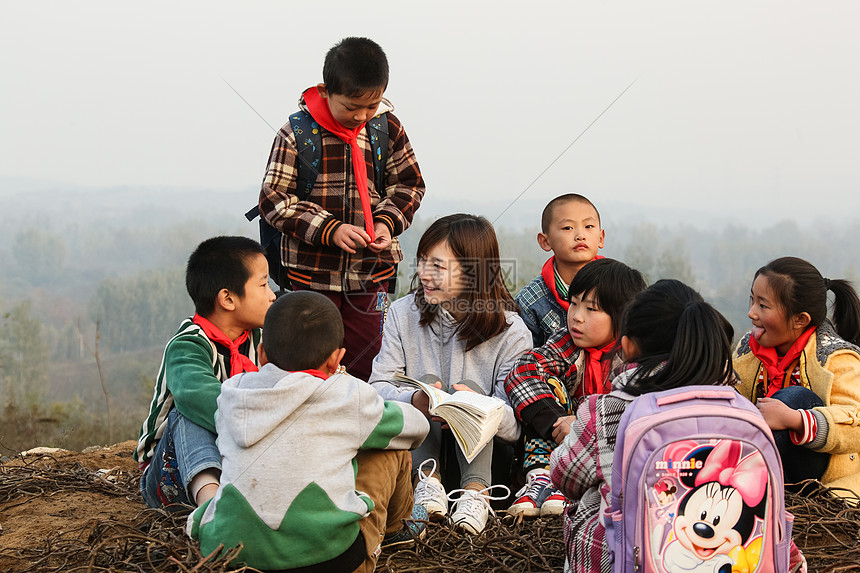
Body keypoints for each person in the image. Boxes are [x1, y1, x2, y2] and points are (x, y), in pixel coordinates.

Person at [186, 291, 429, 572]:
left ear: (262, 353)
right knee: (390, 449)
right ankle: (399, 531)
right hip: (333, 560)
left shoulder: (234, 393)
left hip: (232, 558)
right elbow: (415, 428)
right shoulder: (347, 395)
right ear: (335, 359)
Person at [258, 36, 425, 382]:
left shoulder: (386, 128)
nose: (361, 116)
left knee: (370, 363)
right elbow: (274, 201)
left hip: (370, 273)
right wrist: (330, 230)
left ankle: (364, 430)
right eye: (351, 107)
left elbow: (409, 185)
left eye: (372, 105)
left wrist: (385, 223)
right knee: (309, 362)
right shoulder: (297, 134)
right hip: (311, 274)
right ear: (325, 91)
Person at [550, 280, 736, 572]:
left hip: (629, 559)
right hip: (725, 555)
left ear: (628, 345)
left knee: (591, 494)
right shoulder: (737, 408)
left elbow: (563, 476)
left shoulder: (607, 410)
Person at [369, 214, 532, 534]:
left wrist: (476, 408)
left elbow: (516, 428)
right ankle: (427, 488)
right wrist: (414, 399)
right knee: (426, 386)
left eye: (438, 266)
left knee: (476, 397)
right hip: (416, 453)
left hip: (486, 459)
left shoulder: (511, 332)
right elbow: (376, 388)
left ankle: (476, 495)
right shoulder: (403, 313)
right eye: (422, 261)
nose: (423, 274)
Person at [134, 236, 276, 509]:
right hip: (172, 473)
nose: (272, 294)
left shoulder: (261, 339)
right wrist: (262, 423)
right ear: (228, 299)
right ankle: (210, 506)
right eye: (263, 284)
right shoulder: (189, 344)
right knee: (188, 410)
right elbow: (196, 396)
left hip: (235, 458)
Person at [504, 258, 646, 517]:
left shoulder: (633, 359)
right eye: (574, 304)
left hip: (607, 456)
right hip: (556, 446)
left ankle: (571, 486)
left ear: (622, 315)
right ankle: (542, 479)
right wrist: (559, 420)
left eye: (591, 309)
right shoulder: (569, 342)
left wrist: (581, 427)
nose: (576, 317)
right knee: (546, 387)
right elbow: (522, 372)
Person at [734, 256, 860, 494]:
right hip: (768, 467)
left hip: (818, 475)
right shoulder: (746, 350)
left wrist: (795, 419)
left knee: (795, 398)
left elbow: (856, 425)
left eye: (763, 305)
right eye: (752, 299)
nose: (751, 313)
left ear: (800, 320)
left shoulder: (837, 357)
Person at [516, 193, 605, 347]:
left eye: (588, 226)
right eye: (568, 228)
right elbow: (524, 363)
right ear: (545, 241)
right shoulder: (529, 302)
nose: (580, 235)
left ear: (601, 238)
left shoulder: (620, 287)